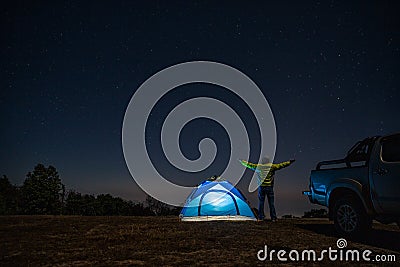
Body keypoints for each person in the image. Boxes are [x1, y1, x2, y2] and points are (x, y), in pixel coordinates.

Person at [240, 157, 295, 222]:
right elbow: (281, 165)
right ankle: (273, 218)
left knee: (261, 203)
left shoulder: (259, 167)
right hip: (269, 187)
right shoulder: (272, 166)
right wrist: (289, 162)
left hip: (261, 187)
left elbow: (249, 165)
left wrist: (241, 161)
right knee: (271, 203)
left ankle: (261, 218)